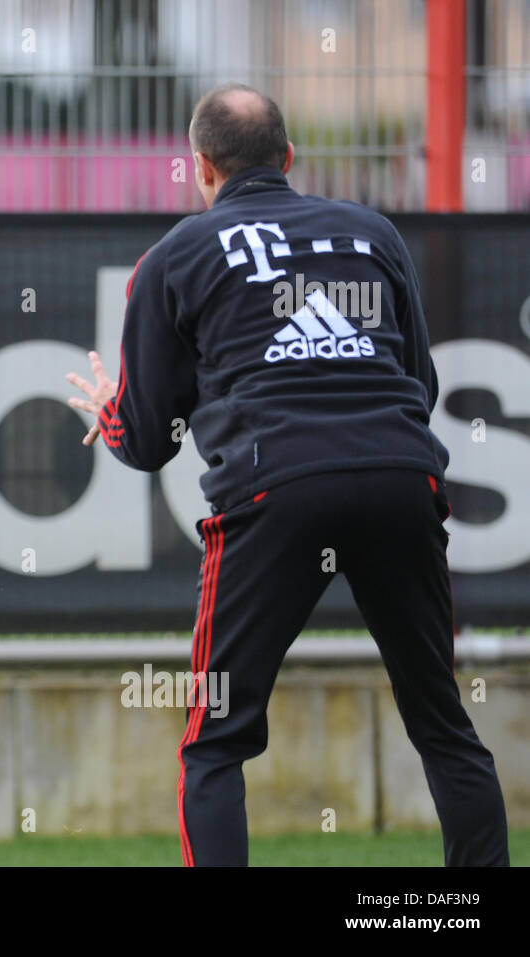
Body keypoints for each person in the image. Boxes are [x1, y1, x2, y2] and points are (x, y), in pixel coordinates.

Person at [66, 83, 508, 866]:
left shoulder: (175, 256)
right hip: (402, 477)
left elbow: (146, 441)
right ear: (290, 158)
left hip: (273, 491)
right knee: (443, 720)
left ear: (201, 167)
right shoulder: (372, 232)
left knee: (215, 741)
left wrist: (108, 411)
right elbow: (420, 385)